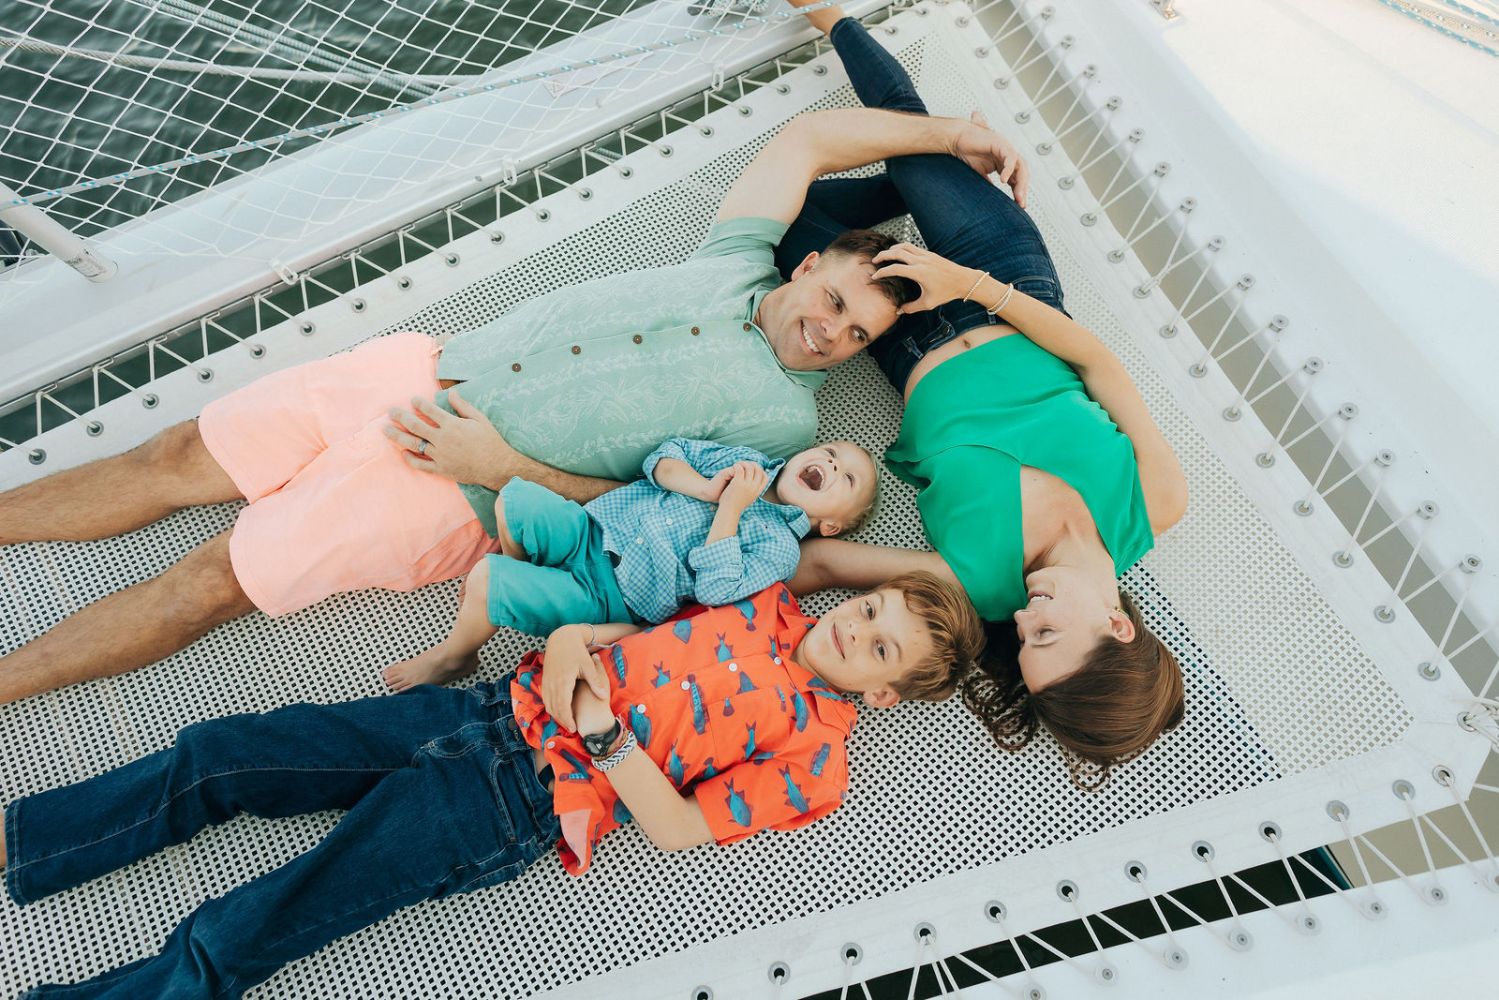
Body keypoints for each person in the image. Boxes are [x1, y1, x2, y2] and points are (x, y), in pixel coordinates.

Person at [0, 97, 1032, 704]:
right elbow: (807, 140)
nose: (834, 332)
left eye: (857, 336)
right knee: (174, 455)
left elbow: (638, 501)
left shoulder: (784, 426)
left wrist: (500, 471)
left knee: (210, 579)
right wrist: (953, 135)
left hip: (452, 483)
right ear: (812, 266)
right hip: (411, 369)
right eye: (840, 301)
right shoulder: (736, 255)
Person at [1, 575, 984, 997]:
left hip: (508, 802)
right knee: (222, 751)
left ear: (886, 693)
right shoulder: (768, 600)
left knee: (245, 925)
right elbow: (614, 635)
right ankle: (33, 842)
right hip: (479, 711)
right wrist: (564, 643)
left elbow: (681, 827)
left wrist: (600, 737)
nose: (854, 626)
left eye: (879, 644)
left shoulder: (818, 759)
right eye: (868, 608)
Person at [779, 4, 1188, 787]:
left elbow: (823, 562)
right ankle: (832, 14)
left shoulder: (975, 588)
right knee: (911, 129)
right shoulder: (1156, 503)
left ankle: (906, 191)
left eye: (1022, 644)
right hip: (1003, 282)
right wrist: (967, 284)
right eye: (1048, 634)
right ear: (1115, 625)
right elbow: (1100, 364)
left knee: (786, 212)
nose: (1024, 618)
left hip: (895, 334)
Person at [383, 437, 878, 690]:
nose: (832, 464)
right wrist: (706, 488)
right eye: (831, 452)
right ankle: (527, 586)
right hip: (592, 529)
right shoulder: (745, 460)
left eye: (847, 478)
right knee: (516, 499)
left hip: (613, 595)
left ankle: (457, 654)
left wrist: (730, 509)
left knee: (488, 577)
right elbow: (665, 456)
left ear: (829, 526)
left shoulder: (780, 548)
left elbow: (717, 589)